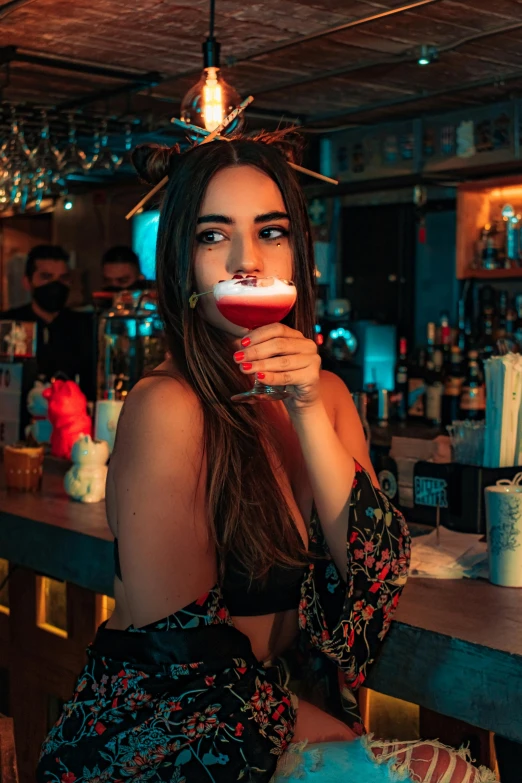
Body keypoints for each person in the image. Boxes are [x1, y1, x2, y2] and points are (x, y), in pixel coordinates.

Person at [37, 133, 495, 783]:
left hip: (275, 722)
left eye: (270, 231)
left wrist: (306, 408)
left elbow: (379, 570)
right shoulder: (168, 405)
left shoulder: (329, 396)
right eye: (213, 235)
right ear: (182, 265)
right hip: (173, 737)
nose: (246, 260)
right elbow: (180, 654)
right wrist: (333, 735)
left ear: (297, 252)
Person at [0, 244, 95, 400]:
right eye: (46, 277)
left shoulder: (86, 326)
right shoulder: (7, 324)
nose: (56, 285)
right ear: (27, 282)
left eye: (63, 278)